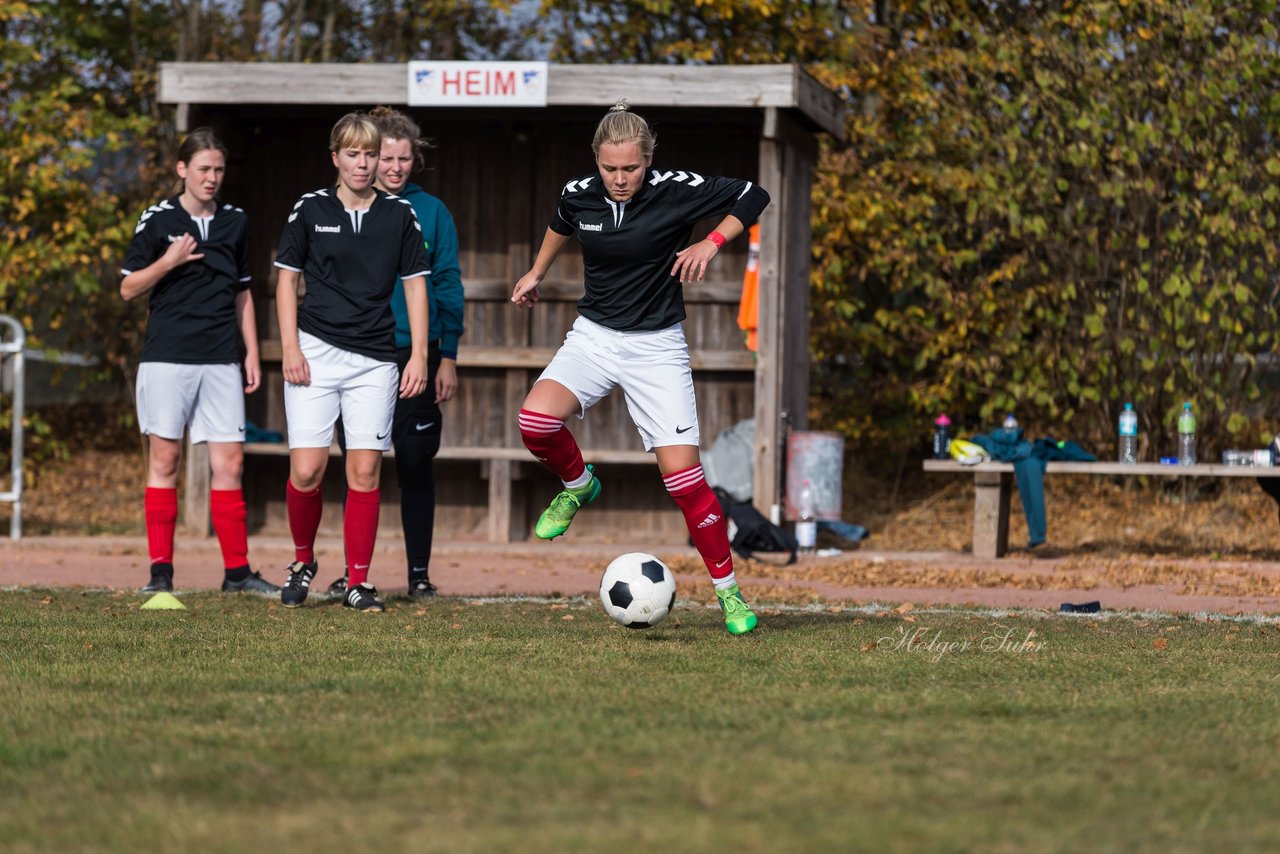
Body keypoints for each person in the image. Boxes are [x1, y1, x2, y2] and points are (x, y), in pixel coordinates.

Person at [511, 100, 770, 635]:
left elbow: (754, 194)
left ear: (648, 160)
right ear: (596, 161)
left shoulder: (676, 188)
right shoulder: (580, 193)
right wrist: (536, 271)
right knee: (535, 422)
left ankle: (730, 595)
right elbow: (561, 223)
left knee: (684, 484)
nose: (620, 178)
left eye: (631, 168)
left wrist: (712, 239)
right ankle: (579, 485)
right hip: (595, 338)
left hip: (657, 348)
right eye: (610, 168)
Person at [273, 112, 432, 612]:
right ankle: (303, 562)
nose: (363, 164)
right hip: (314, 353)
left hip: (376, 360)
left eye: (370, 154)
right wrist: (290, 349)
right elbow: (284, 281)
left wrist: (420, 356)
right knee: (307, 471)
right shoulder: (309, 208)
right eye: (354, 154)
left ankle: (359, 582)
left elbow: (416, 286)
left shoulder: (399, 214)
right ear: (335, 157)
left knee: (364, 472)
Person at [120, 127, 277, 596]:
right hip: (167, 357)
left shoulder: (236, 220)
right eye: (204, 169)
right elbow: (128, 288)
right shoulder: (157, 219)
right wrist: (169, 261)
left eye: (219, 170)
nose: (212, 178)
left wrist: (251, 351)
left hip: (221, 358)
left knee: (230, 462)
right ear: (182, 169)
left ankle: (237, 574)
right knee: (165, 460)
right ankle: (160, 574)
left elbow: (243, 291)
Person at [324, 106, 465, 600]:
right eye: (386, 157)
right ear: (366, 158)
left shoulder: (432, 212)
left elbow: (447, 283)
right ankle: (353, 572)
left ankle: (418, 574)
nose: (395, 167)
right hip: (357, 353)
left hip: (414, 358)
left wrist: (445, 354)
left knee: (414, 462)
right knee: (358, 467)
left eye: (404, 159)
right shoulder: (344, 210)